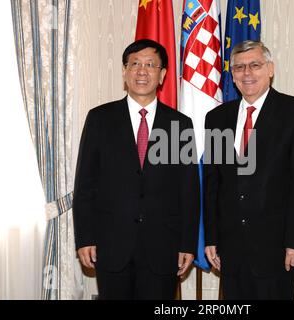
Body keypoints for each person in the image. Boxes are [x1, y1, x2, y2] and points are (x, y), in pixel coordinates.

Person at [73, 39, 199, 300]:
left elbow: (188, 189)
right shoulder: (99, 119)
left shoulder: (180, 124)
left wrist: (187, 243)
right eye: (135, 64)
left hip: (163, 248)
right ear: (124, 71)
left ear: (162, 74)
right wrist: (85, 238)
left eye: (151, 65)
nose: (142, 71)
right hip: (111, 246)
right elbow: (85, 184)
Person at [204, 40, 294, 300]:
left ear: (270, 69)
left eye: (255, 65)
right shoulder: (217, 118)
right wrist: (211, 238)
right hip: (231, 251)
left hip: (277, 250)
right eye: (239, 67)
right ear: (232, 75)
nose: (247, 73)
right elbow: (213, 184)